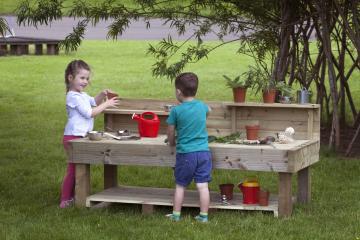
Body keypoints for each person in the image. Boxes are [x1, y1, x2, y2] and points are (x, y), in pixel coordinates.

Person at [60, 59, 119, 208]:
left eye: (87, 78)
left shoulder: (82, 95)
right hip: (73, 137)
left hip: (80, 136)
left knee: (77, 168)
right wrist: (106, 104)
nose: (85, 81)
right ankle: (65, 200)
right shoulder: (73, 96)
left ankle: (75, 195)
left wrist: (101, 95)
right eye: (82, 78)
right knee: (73, 169)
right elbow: (89, 113)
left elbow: (93, 102)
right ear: (70, 78)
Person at [166, 72, 212, 222]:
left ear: (178, 92)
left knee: (180, 185)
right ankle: (203, 216)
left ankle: (176, 215)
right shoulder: (202, 106)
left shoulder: (176, 110)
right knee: (202, 186)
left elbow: (170, 131)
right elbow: (208, 111)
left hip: (186, 154)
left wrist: (171, 142)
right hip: (204, 153)